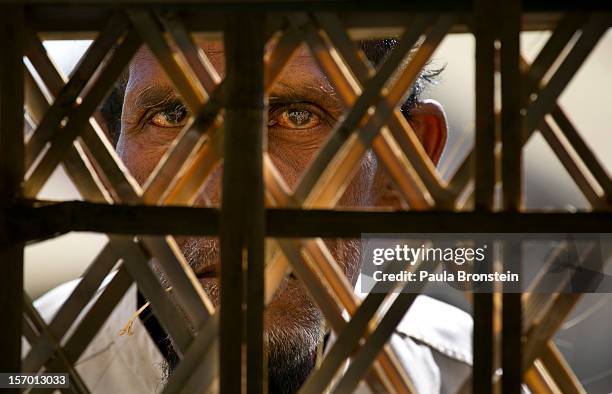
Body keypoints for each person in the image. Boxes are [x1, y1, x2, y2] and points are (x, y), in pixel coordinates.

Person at [33, 38, 472, 393]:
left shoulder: (466, 375)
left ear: (402, 167)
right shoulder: (28, 363)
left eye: (300, 116)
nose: (232, 190)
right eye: (172, 116)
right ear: (105, 164)